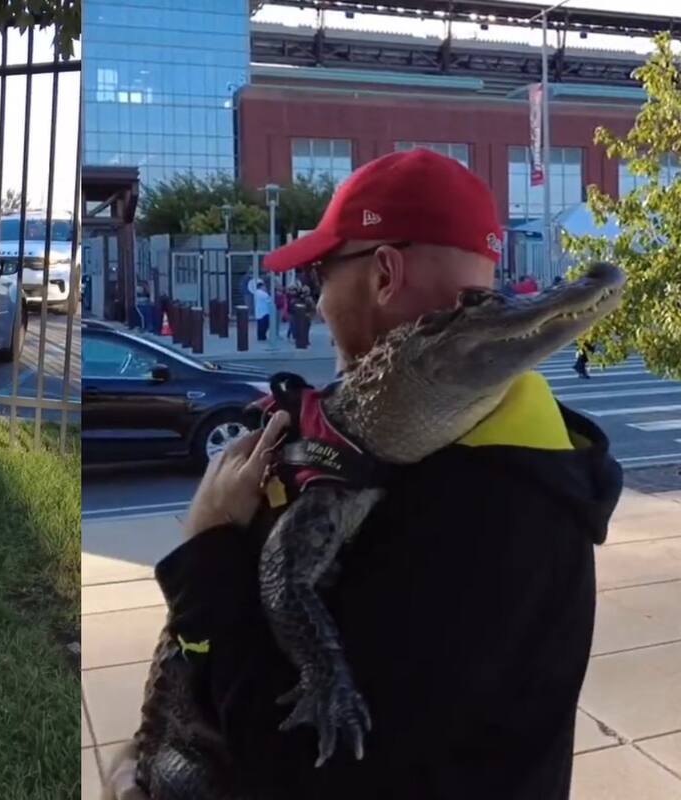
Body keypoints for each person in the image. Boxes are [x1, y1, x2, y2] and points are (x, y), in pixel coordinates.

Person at [107, 149, 621, 799]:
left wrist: (206, 552)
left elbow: (303, 772)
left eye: (320, 275)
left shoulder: (483, 518)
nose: (319, 303)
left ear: (383, 273)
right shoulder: (487, 440)